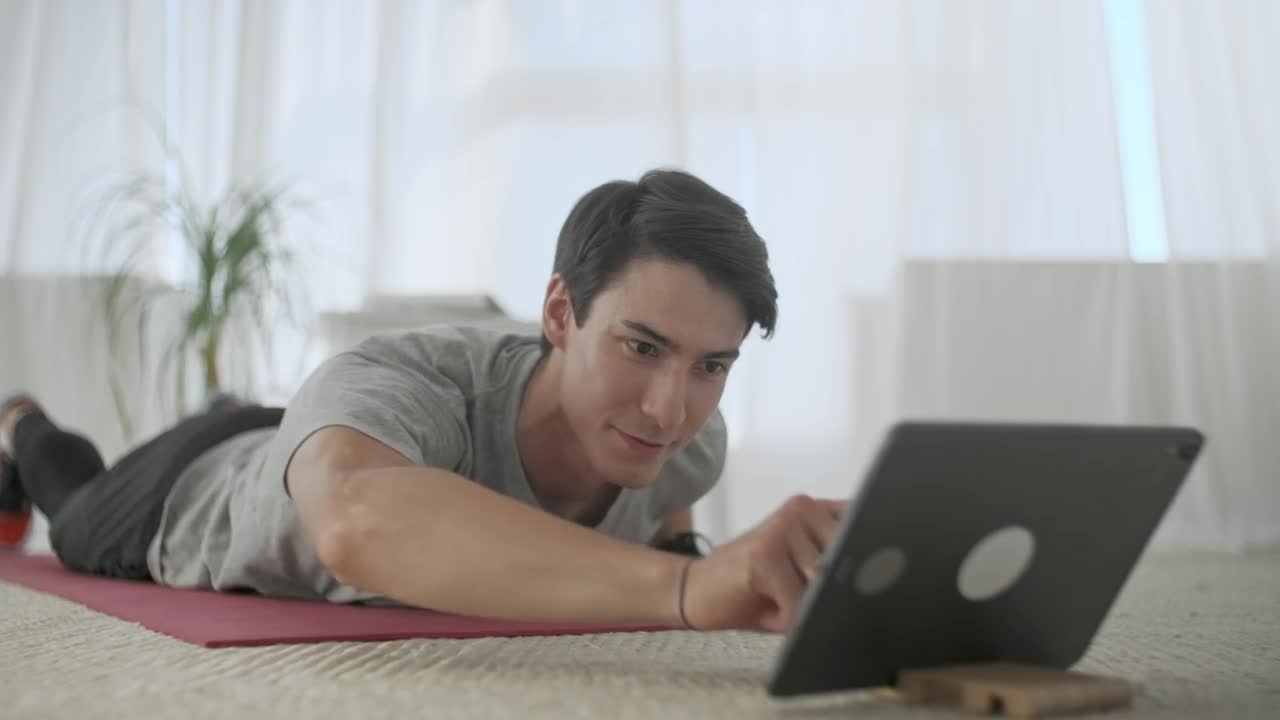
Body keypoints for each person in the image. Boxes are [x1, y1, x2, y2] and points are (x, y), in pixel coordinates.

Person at [0, 169, 843, 633]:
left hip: (326, 434)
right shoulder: (414, 374)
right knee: (71, 496)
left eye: (711, 367)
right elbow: (356, 525)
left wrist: (695, 550)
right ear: (560, 313)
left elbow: (667, 503)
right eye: (643, 348)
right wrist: (690, 588)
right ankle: (19, 419)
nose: (669, 410)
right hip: (190, 491)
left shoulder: (694, 443)